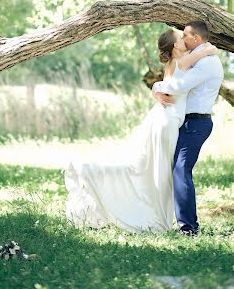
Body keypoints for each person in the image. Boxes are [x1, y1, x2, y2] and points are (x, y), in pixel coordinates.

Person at [65, 29, 217, 233]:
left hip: (166, 118)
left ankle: (162, 217)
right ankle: (159, 219)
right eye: (180, 38)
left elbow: (170, 84)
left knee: (153, 168)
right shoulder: (182, 61)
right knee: (158, 170)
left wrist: (156, 88)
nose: (183, 39)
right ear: (175, 46)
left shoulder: (174, 63)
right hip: (169, 120)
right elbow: (207, 51)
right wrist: (209, 48)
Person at [152, 20, 224, 237]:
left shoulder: (207, 63)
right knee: (177, 169)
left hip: (197, 123)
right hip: (186, 121)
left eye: (185, 36)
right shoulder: (197, 58)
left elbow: (180, 85)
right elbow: (178, 70)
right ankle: (185, 224)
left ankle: (188, 228)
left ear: (197, 39)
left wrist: (156, 87)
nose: (181, 40)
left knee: (181, 169)